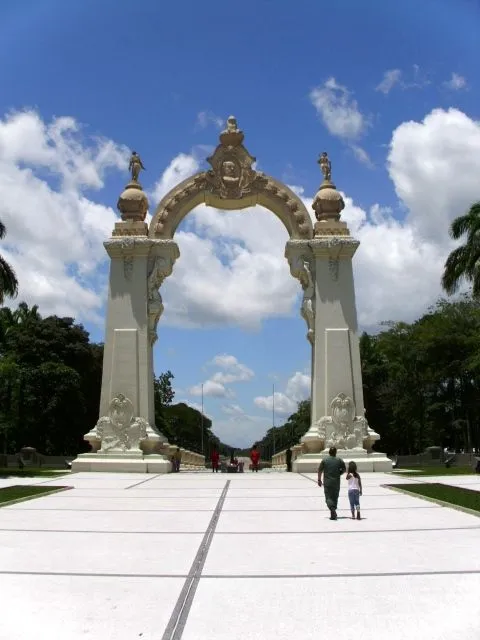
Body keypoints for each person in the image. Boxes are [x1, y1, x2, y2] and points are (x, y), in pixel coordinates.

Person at [317, 447, 346, 520]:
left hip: (327, 482)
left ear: (329, 452)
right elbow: (344, 469)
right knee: (335, 497)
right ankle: (333, 510)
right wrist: (339, 473)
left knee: (328, 497)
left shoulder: (324, 460)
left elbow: (320, 470)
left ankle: (332, 510)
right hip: (336, 482)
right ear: (335, 452)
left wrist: (319, 480)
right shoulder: (339, 460)